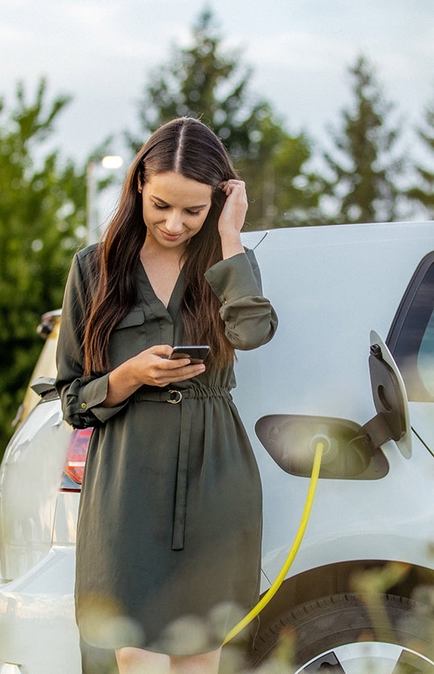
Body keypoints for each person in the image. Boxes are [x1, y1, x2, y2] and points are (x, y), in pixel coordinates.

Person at [55, 117, 278, 674]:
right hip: (128, 480)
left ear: (217, 203)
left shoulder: (224, 264)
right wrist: (129, 376)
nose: (174, 223)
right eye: (161, 205)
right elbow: (71, 399)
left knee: (201, 654)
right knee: (135, 653)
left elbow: (252, 333)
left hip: (214, 478)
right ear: (137, 188)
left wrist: (230, 237)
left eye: (193, 211)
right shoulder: (94, 268)